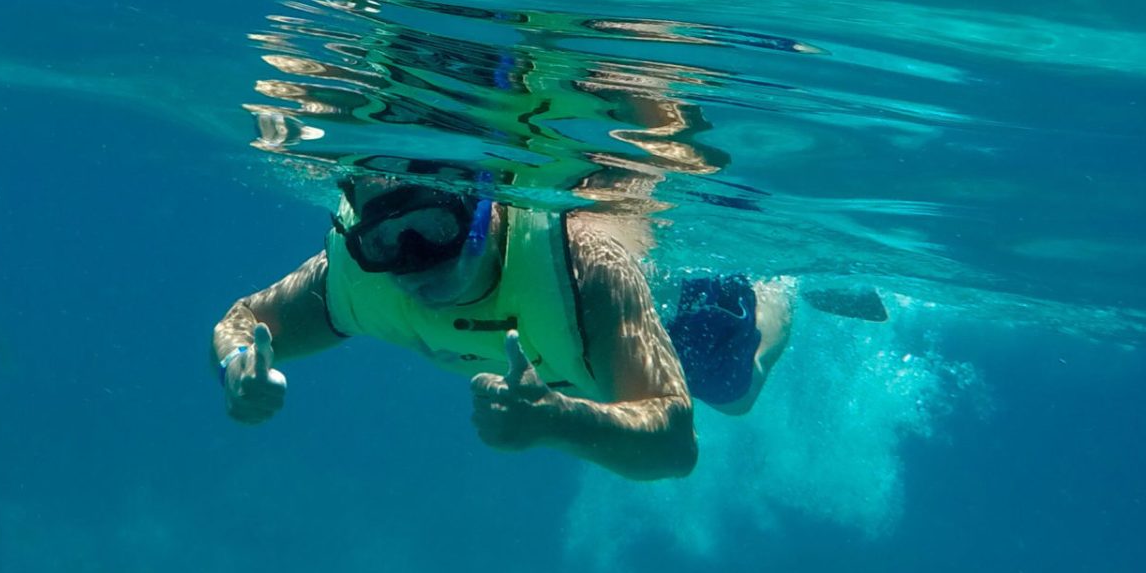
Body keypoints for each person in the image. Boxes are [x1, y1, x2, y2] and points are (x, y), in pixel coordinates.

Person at [210, 164, 794, 481]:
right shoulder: (357, 279)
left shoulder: (583, 261)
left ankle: (781, 288)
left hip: (659, 298)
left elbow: (674, 446)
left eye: (434, 226)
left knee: (730, 387)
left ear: (485, 209)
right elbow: (243, 320)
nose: (415, 265)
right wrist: (239, 364)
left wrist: (558, 422)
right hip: (577, 352)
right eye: (386, 240)